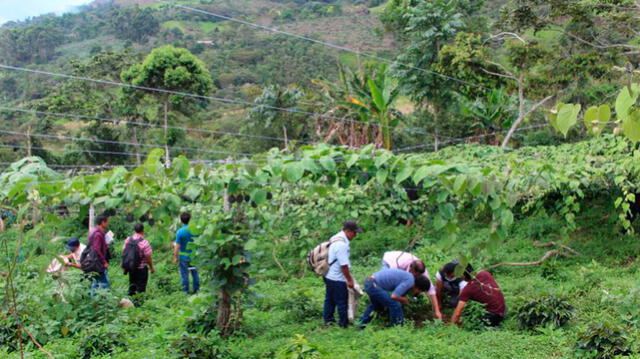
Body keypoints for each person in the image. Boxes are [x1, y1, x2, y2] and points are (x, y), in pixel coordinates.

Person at [359, 268, 431, 327]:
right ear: (418, 288)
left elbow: (398, 294)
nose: (418, 293)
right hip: (373, 284)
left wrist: (402, 299)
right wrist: (404, 300)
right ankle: (398, 328)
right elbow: (394, 296)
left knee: (376, 305)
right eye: (420, 291)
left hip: (370, 281)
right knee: (395, 304)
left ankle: (360, 325)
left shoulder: (409, 278)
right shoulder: (410, 281)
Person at [382, 251, 442, 320]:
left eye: (419, 275)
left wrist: (436, 310)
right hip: (389, 260)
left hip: (403, 264)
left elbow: (431, 290)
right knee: (388, 288)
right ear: (411, 270)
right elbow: (392, 280)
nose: (418, 276)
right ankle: (388, 312)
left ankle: (400, 309)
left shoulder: (422, 271)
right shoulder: (396, 265)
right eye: (416, 275)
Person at [323, 221, 362, 328]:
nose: (355, 235)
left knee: (330, 299)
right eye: (354, 233)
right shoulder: (341, 245)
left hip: (328, 275)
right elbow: (344, 266)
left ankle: (328, 321)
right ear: (348, 231)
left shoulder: (335, 237)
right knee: (342, 301)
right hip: (337, 278)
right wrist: (349, 280)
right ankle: (343, 324)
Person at [122, 223, 155, 296]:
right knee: (141, 287)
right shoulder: (144, 243)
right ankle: (139, 304)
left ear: (134, 230)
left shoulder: (128, 240)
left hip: (131, 268)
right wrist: (151, 268)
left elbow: (124, 251)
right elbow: (148, 258)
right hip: (141, 269)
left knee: (132, 285)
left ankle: (130, 304)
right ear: (143, 230)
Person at [174, 212, 200, 294]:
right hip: (194, 255)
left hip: (183, 256)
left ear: (181, 220)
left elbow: (177, 246)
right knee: (195, 273)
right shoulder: (194, 230)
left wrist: (175, 257)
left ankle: (185, 292)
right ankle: (197, 290)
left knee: (184, 275)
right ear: (190, 219)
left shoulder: (180, 232)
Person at [88, 215, 110, 293]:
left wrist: (105, 245)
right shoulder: (98, 234)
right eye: (106, 222)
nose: (107, 223)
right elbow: (96, 249)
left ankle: (94, 301)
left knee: (95, 283)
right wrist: (104, 262)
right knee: (104, 284)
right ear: (103, 222)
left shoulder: (93, 232)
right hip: (98, 263)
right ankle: (104, 301)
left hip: (93, 261)